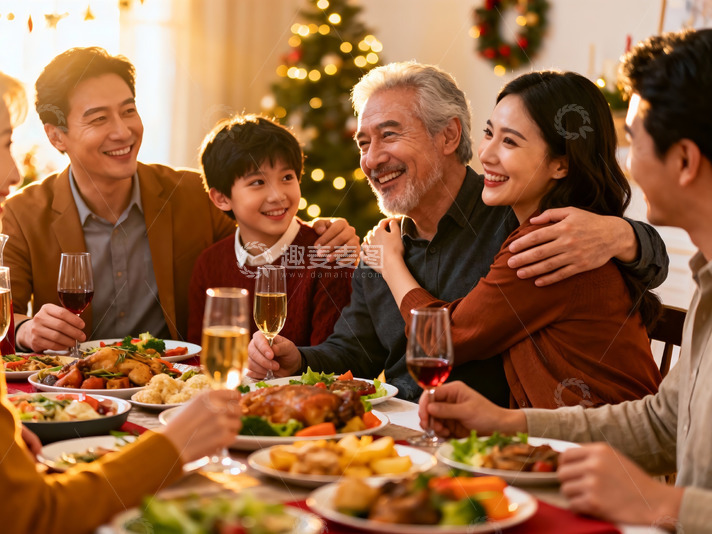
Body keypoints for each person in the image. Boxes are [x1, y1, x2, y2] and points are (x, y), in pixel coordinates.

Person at [0, 45, 241, 534]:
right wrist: (174, 446)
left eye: (129, 110)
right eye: (3, 143)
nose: (15, 170)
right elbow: (28, 519)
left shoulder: (190, 193)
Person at [418, 29, 712, 532]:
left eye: (634, 140)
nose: (626, 164)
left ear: (683, 161)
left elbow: (451, 333)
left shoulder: (552, 244)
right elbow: (664, 421)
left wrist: (657, 503)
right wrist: (507, 422)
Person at [248, 61, 668, 403]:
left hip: (500, 455)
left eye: (389, 134)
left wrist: (623, 235)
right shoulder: (383, 242)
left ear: (448, 135)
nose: (372, 159)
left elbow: (444, 340)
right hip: (409, 441)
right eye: (363, 143)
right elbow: (354, 351)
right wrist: (297, 361)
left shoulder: (520, 222)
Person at [2, 47, 358, 353]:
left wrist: (323, 232)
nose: (123, 131)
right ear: (56, 136)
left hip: (176, 389)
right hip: (79, 391)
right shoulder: (23, 214)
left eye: (128, 111)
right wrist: (26, 330)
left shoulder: (192, 194)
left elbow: (262, 236)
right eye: (99, 119)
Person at [360, 70, 662, 408]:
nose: (485, 154)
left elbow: (442, 339)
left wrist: (391, 265)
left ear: (560, 165)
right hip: (538, 433)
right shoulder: (537, 225)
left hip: (597, 445)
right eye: (489, 133)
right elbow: (354, 347)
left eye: (510, 141)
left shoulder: (553, 243)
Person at [187, 115, 353, 345]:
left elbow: (333, 363)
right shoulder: (209, 264)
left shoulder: (327, 255)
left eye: (287, 177)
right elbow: (199, 358)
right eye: (258, 182)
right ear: (222, 198)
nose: (278, 196)